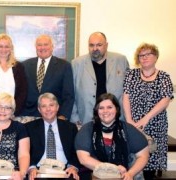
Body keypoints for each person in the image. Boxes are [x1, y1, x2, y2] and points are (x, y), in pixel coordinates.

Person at [123, 43, 174, 179]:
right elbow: (126, 97)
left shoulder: (164, 77)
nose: (144, 57)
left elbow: (165, 100)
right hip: (132, 124)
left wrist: (145, 119)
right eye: (141, 55)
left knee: (151, 163)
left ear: (155, 57)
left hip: (155, 124)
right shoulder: (131, 74)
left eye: (148, 54)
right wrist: (129, 121)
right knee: (132, 161)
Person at [75, 93, 149, 180]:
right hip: (95, 174)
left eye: (109, 107)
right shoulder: (87, 129)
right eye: (101, 108)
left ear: (117, 109)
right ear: (96, 111)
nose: (105, 111)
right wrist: (113, 170)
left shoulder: (128, 129)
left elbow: (143, 156)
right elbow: (83, 159)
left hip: (124, 174)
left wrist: (130, 174)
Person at [70, 32, 129, 126]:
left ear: (106, 45)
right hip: (86, 118)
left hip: (116, 118)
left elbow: (128, 91)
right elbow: (70, 93)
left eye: (99, 45)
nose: (95, 49)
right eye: (91, 45)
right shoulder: (76, 63)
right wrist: (74, 117)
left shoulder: (121, 60)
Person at [26, 93, 79, 180]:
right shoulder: (29, 128)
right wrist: (31, 167)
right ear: (39, 109)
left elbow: (76, 151)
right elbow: (24, 151)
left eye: (51, 105)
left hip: (65, 170)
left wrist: (73, 167)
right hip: (39, 170)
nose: (48, 109)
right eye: (44, 106)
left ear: (57, 107)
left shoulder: (70, 127)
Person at [21, 34, 74, 120]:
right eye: (39, 45)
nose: (42, 48)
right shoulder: (25, 65)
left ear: (52, 47)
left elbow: (68, 95)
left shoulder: (64, 66)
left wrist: (63, 115)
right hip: (28, 115)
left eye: (46, 44)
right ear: (36, 47)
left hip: (53, 115)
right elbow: (20, 92)